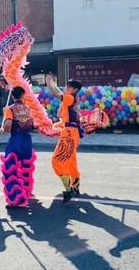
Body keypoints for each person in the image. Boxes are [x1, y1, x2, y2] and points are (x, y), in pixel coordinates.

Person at [46, 75, 83, 203]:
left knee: (58, 159)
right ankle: (75, 186)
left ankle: (69, 189)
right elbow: (59, 114)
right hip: (74, 132)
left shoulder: (70, 98)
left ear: (75, 89)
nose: (67, 88)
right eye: (67, 86)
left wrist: (49, 82)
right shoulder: (73, 99)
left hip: (69, 132)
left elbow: (54, 93)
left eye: (69, 87)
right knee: (71, 160)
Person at [0, 86, 36, 209]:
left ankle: (16, 198)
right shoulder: (27, 108)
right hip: (27, 140)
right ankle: (26, 191)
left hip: (16, 140)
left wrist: (3, 129)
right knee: (26, 166)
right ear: (22, 95)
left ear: (13, 96)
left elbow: (8, 124)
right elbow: (32, 123)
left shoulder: (10, 109)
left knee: (10, 168)